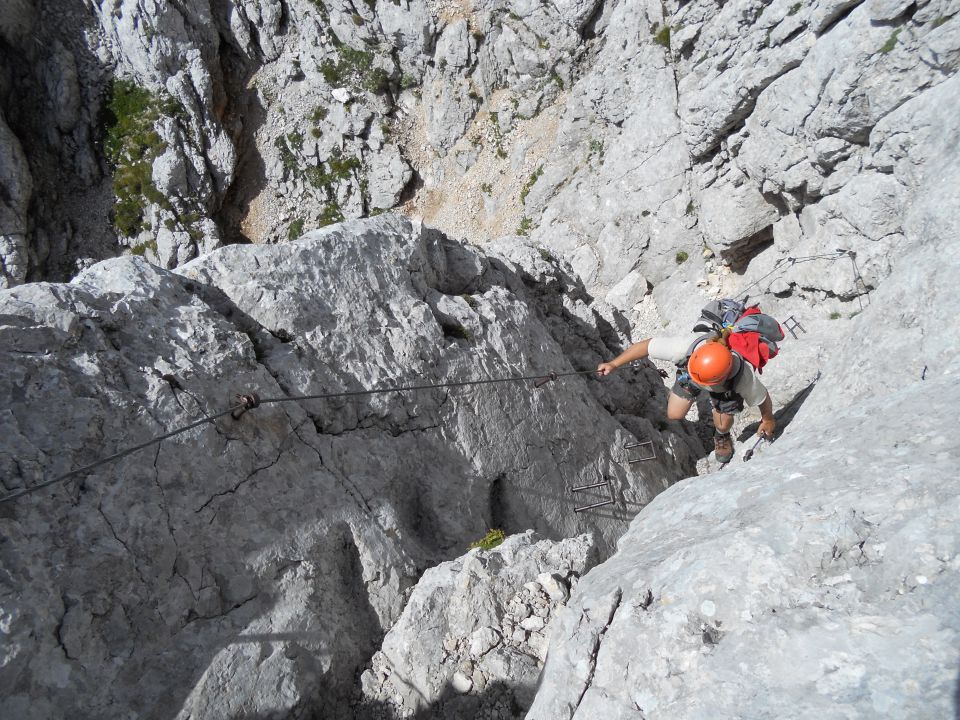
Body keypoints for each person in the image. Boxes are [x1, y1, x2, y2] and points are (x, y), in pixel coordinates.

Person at [597, 333, 776, 463]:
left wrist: (767, 419)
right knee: (674, 414)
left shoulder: (741, 376)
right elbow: (646, 346)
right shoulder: (684, 348)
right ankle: (698, 395)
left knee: (722, 422)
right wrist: (614, 364)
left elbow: (762, 397)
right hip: (691, 377)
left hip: (725, 389)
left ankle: (721, 436)